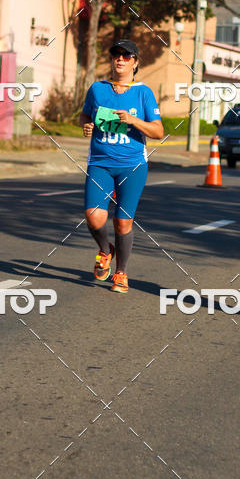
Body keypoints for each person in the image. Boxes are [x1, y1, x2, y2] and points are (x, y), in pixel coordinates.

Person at [79, 39, 164, 293]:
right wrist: (85, 124)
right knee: (94, 217)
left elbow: (158, 131)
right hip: (100, 163)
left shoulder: (143, 92)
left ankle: (121, 273)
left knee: (122, 222)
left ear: (135, 62)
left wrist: (133, 119)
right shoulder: (97, 88)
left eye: (127, 56)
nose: (120, 59)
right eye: (116, 54)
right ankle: (106, 250)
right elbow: (85, 114)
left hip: (132, 166)